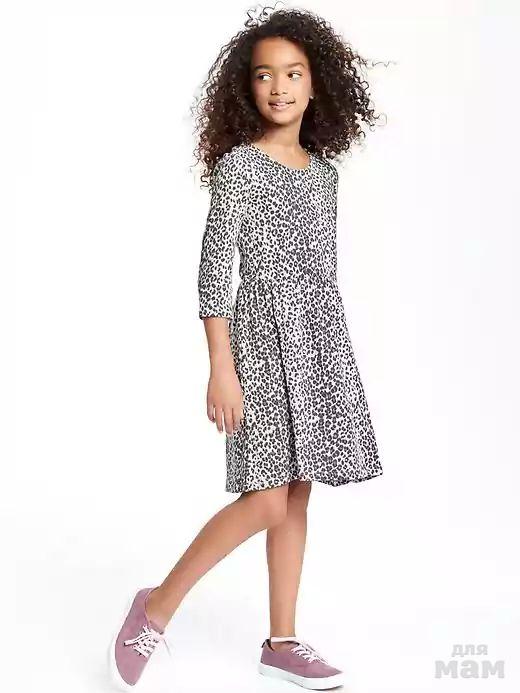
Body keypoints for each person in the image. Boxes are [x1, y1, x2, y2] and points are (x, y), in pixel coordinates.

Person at [108, 6, 384, 690]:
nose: (279, 87)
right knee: (264, 499)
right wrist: (220, 366)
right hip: (257, 342)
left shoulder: (324, 173)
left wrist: (330, 355)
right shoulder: (239, 167)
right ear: (247, 86)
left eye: (293, 74)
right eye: (265, 75)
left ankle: (281, 640)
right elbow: (214, 270)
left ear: (317, 84)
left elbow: (321, 269)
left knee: (296, 495)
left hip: (318, 342)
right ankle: (157, 605)